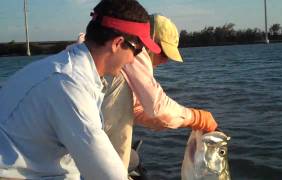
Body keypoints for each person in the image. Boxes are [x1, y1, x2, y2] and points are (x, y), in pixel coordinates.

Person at [0, 0, 161, 179]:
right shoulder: (70, 84)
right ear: (117, 43)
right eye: (137, 51)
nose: (133, 60)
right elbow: (109, 175)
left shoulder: (61, 68)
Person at [97, 14, 218, 169]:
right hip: (91, 155)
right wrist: (196, 118)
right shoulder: (133, 53)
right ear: (148, 42)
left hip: (90, 143)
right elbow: (158, 107)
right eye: (163, 53)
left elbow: (137, 109)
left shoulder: (108, 51)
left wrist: (180, 122)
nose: (165, 61)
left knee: (132, 159)